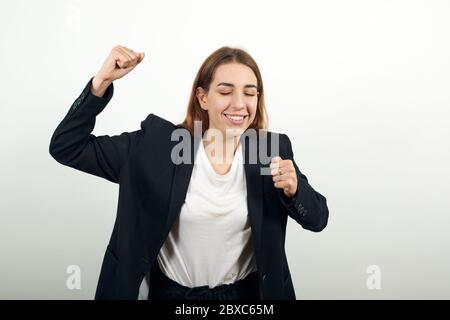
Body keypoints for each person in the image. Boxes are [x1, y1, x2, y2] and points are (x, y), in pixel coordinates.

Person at [49, 45, 329, 300]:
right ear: (203, 97)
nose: (239, 104)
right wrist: (101, 83)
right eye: (225, 91)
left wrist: (295, 190)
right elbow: (67, 147)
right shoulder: (157, 146)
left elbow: (318, 219)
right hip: (172, 295)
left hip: (246, 296)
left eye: (249, 92)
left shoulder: (270, 150)